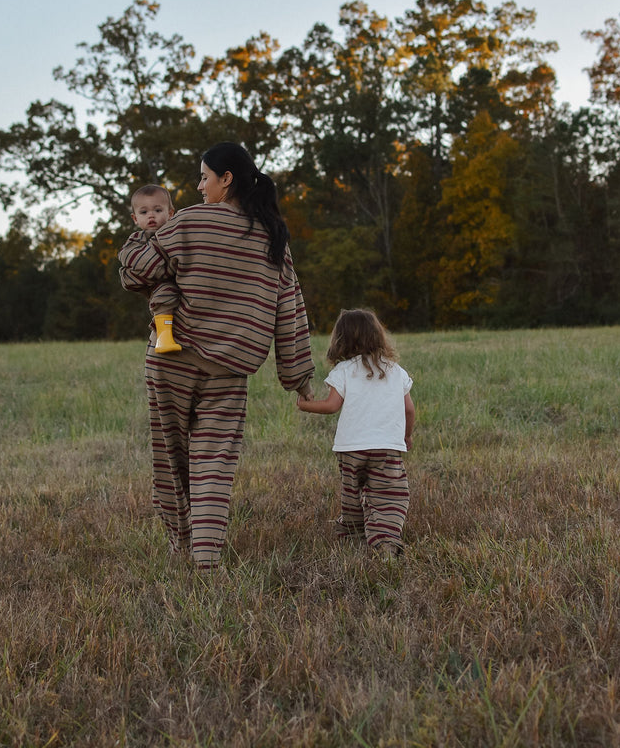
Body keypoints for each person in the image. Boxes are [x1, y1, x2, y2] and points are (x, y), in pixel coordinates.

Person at [118, 142, 315, 572]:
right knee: (214, 465)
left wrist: (131, 252)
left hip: (171, 358)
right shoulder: (273, 236)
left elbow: (139, 272)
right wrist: (297, 376)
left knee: (172, 458)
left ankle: (181, 542)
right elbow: (290, 308)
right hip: (229, 370)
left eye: (204, 177)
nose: (199, 186)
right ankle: (206, 558)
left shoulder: (190, 220)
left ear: (226, 179)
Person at [297, 308, 415, 558]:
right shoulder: (395, 370)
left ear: (341, 340)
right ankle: (385, 540)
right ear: (378, 335)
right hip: (387, 447)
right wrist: (407, 436)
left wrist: (305, 405)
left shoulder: (344, 370)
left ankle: (352, 534)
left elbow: (331, 406)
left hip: (351, 448)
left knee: (352, 492)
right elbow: (409, 409)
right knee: (388, 494)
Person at [128, 185, 181, 352]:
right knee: (165, 294)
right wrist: (166, 268)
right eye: (144, 212)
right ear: (135, 218)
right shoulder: (137, 240)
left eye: (158, 210)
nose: (151, 215)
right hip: (158, 285)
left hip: (182, 283)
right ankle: (164, 337)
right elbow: (131, 257)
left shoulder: (174, 234)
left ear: (170, 213)